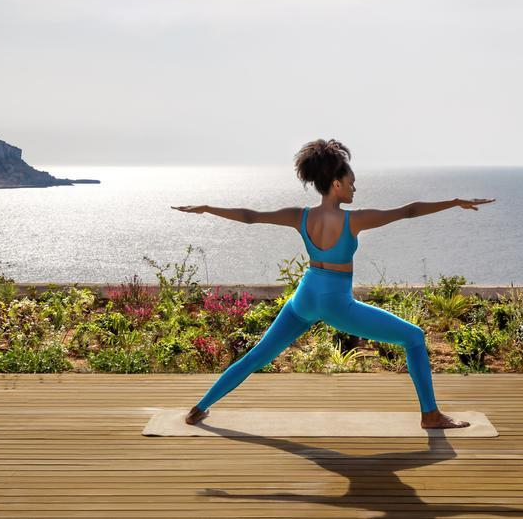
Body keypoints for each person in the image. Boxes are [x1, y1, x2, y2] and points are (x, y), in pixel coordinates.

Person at [171, 138, 494, 429]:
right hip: (336, 303)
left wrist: (208, 208)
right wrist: (454, 202)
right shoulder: (354, 220)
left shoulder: (299, 216)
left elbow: (251, 216)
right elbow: (407, 211)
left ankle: (198, 409)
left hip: (305, 296)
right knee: (414, 337)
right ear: (336, 183)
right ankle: (431, 415)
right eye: (351, 183)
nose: (355, 189)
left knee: (257, 356)